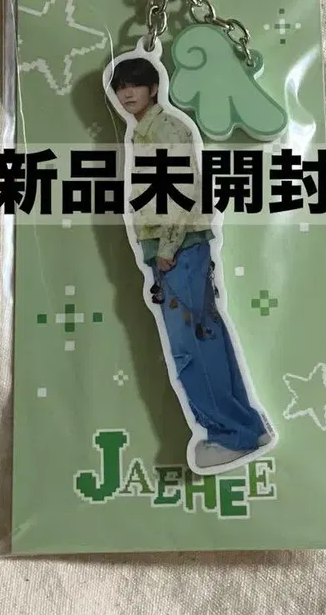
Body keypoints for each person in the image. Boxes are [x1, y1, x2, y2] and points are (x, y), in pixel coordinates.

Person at [109, 56, 271, 471]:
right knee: (207, 337)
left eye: (134, 84)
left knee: (191, 346)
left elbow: (182, 191)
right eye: (120, 86)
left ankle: (230, 434)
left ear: (153, 88)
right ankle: (245, 426)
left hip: (177, 248)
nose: (126, 93)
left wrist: (166, 246)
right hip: (178, 246)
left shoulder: (165, 130)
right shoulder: (146, 132)